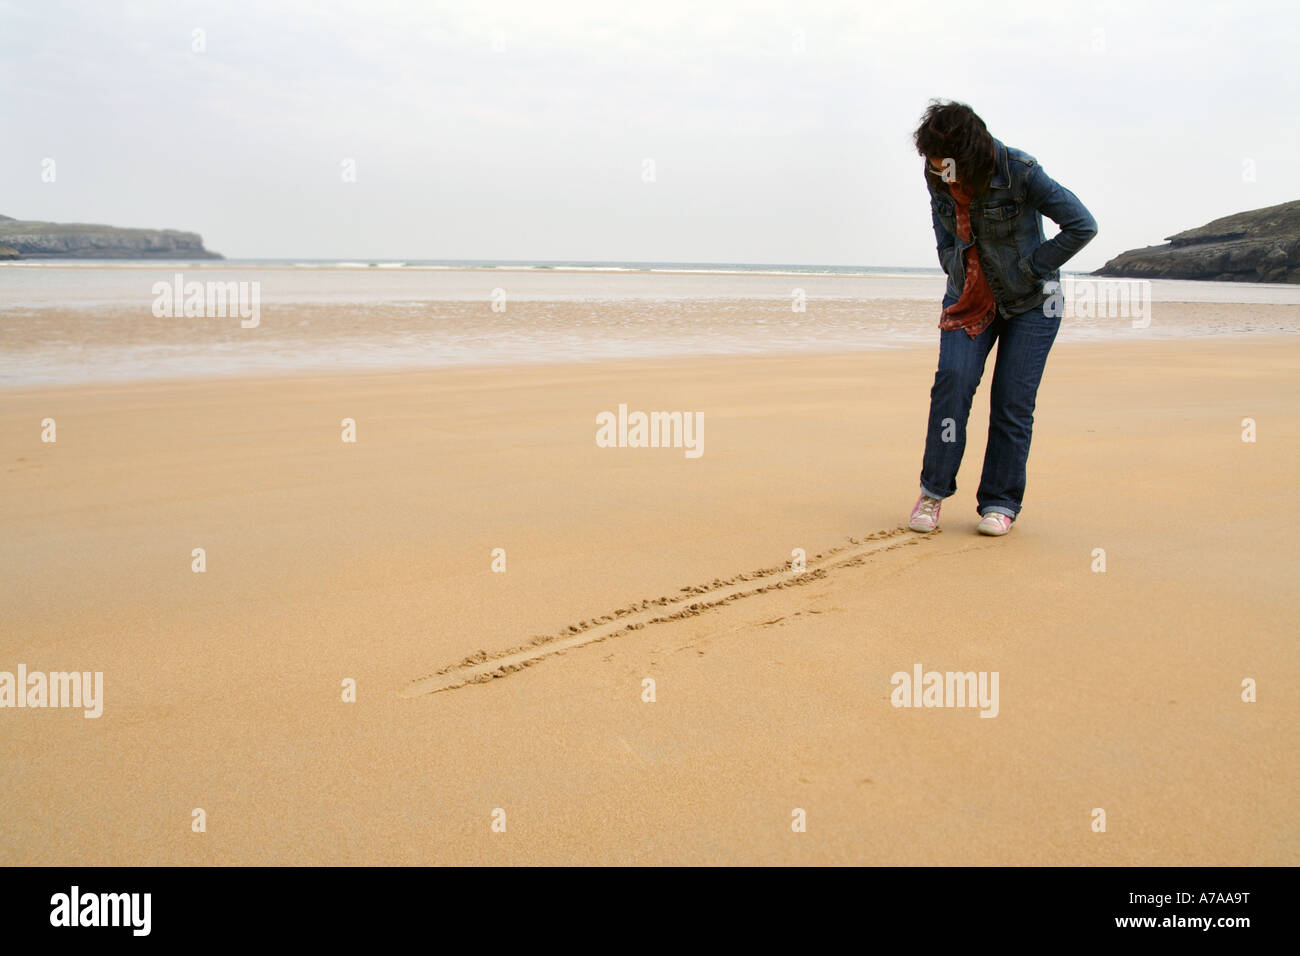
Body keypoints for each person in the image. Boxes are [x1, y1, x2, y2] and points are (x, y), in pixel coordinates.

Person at [908, 101, 1097, 536]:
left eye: (948, 166)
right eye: (935, 166)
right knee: (952, 386)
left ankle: (999, 502)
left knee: (1012, 404)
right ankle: (933, 493)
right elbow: (943, 229)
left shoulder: (1020, 171)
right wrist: (951, 263)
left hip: (1032, 302)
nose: (942, 174)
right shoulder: (937, 172)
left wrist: (1029, 268)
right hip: (968, 297)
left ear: (971, 155)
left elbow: (1081, 225)